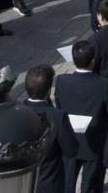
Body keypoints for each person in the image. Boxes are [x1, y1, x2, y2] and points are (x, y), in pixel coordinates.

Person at [55, 41, 108, 193]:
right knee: (90, 185)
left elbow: (59, 108)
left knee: (67, 183)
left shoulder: (61, 82)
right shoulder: (103, 84)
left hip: (69, 140)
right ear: (92, 61)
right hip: (94, 141)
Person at [24, 65, 79, 193]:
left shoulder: (15, 113)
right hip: (49, 184)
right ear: (49, 91)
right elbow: (71, 149)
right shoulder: (58, 117)